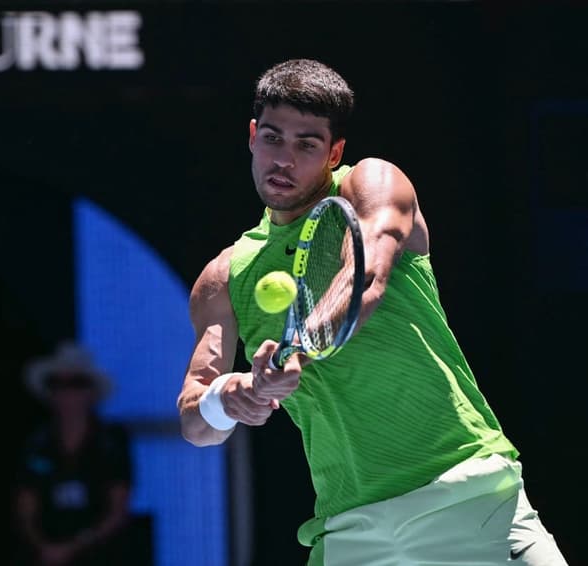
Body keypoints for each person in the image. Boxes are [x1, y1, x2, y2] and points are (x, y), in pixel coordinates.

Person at [176, 58, 568, 565]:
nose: (284, 160)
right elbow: (194, 421)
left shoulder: (371, 183)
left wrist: (302, 347)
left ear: (335, 151)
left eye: (307, 145)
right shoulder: (223, 279)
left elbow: (364, 278)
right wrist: (232, 396)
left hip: (468, 496)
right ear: (252, 136)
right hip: (350, 530)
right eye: (273, 138)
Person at [15, 342, 133, 566]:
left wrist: (74, 546)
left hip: (101, 557)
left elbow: (118, 509)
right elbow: (25, 507)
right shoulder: (36, 445)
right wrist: (46, 548)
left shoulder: (111, 444)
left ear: (91, 392)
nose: (67, 393)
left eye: (76, 383)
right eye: (57, 384)